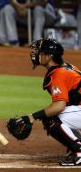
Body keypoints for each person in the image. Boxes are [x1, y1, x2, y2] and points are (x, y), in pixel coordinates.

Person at [26, 38, 81, 166]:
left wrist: (32, 117)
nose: (35, 54)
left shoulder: (58, 74)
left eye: (39, 51)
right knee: (52, 115)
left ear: (49, 56)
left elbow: (59, 106)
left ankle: (79, 150)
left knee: (51, 117)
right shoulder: (65, 67)